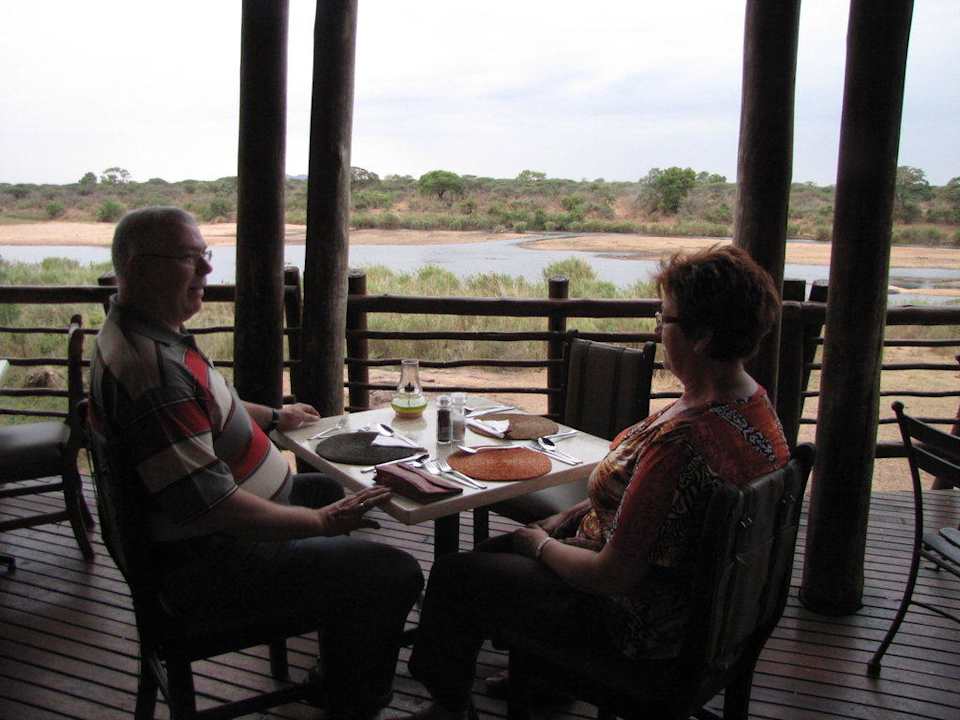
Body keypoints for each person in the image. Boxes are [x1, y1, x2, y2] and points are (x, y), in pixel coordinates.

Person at [403, 245, 790, 718]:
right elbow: (643, 514)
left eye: (663, 318)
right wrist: (564, 519)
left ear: (703, 336)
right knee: (494, 555)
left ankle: (449, 705)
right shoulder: (752, 407)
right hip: (705, 614)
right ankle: (541, 676)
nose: (656, 328)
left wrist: (539, 547)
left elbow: (613, 575)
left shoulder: (683, 444)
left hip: (636, 628)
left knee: (456, 576)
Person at [89, 206, 423, 719]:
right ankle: (355, 699)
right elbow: (212, 508)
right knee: (394, 571)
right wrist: (318, 524)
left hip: (210, 539)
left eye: (205, 256)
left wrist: (273, 416)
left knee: (331, 489)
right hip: (213, 565)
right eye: (188, 259)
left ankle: (338, 664)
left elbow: (205, 405)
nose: (206, 271)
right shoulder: (151, 375)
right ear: (136, 269)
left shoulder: (145, 335)